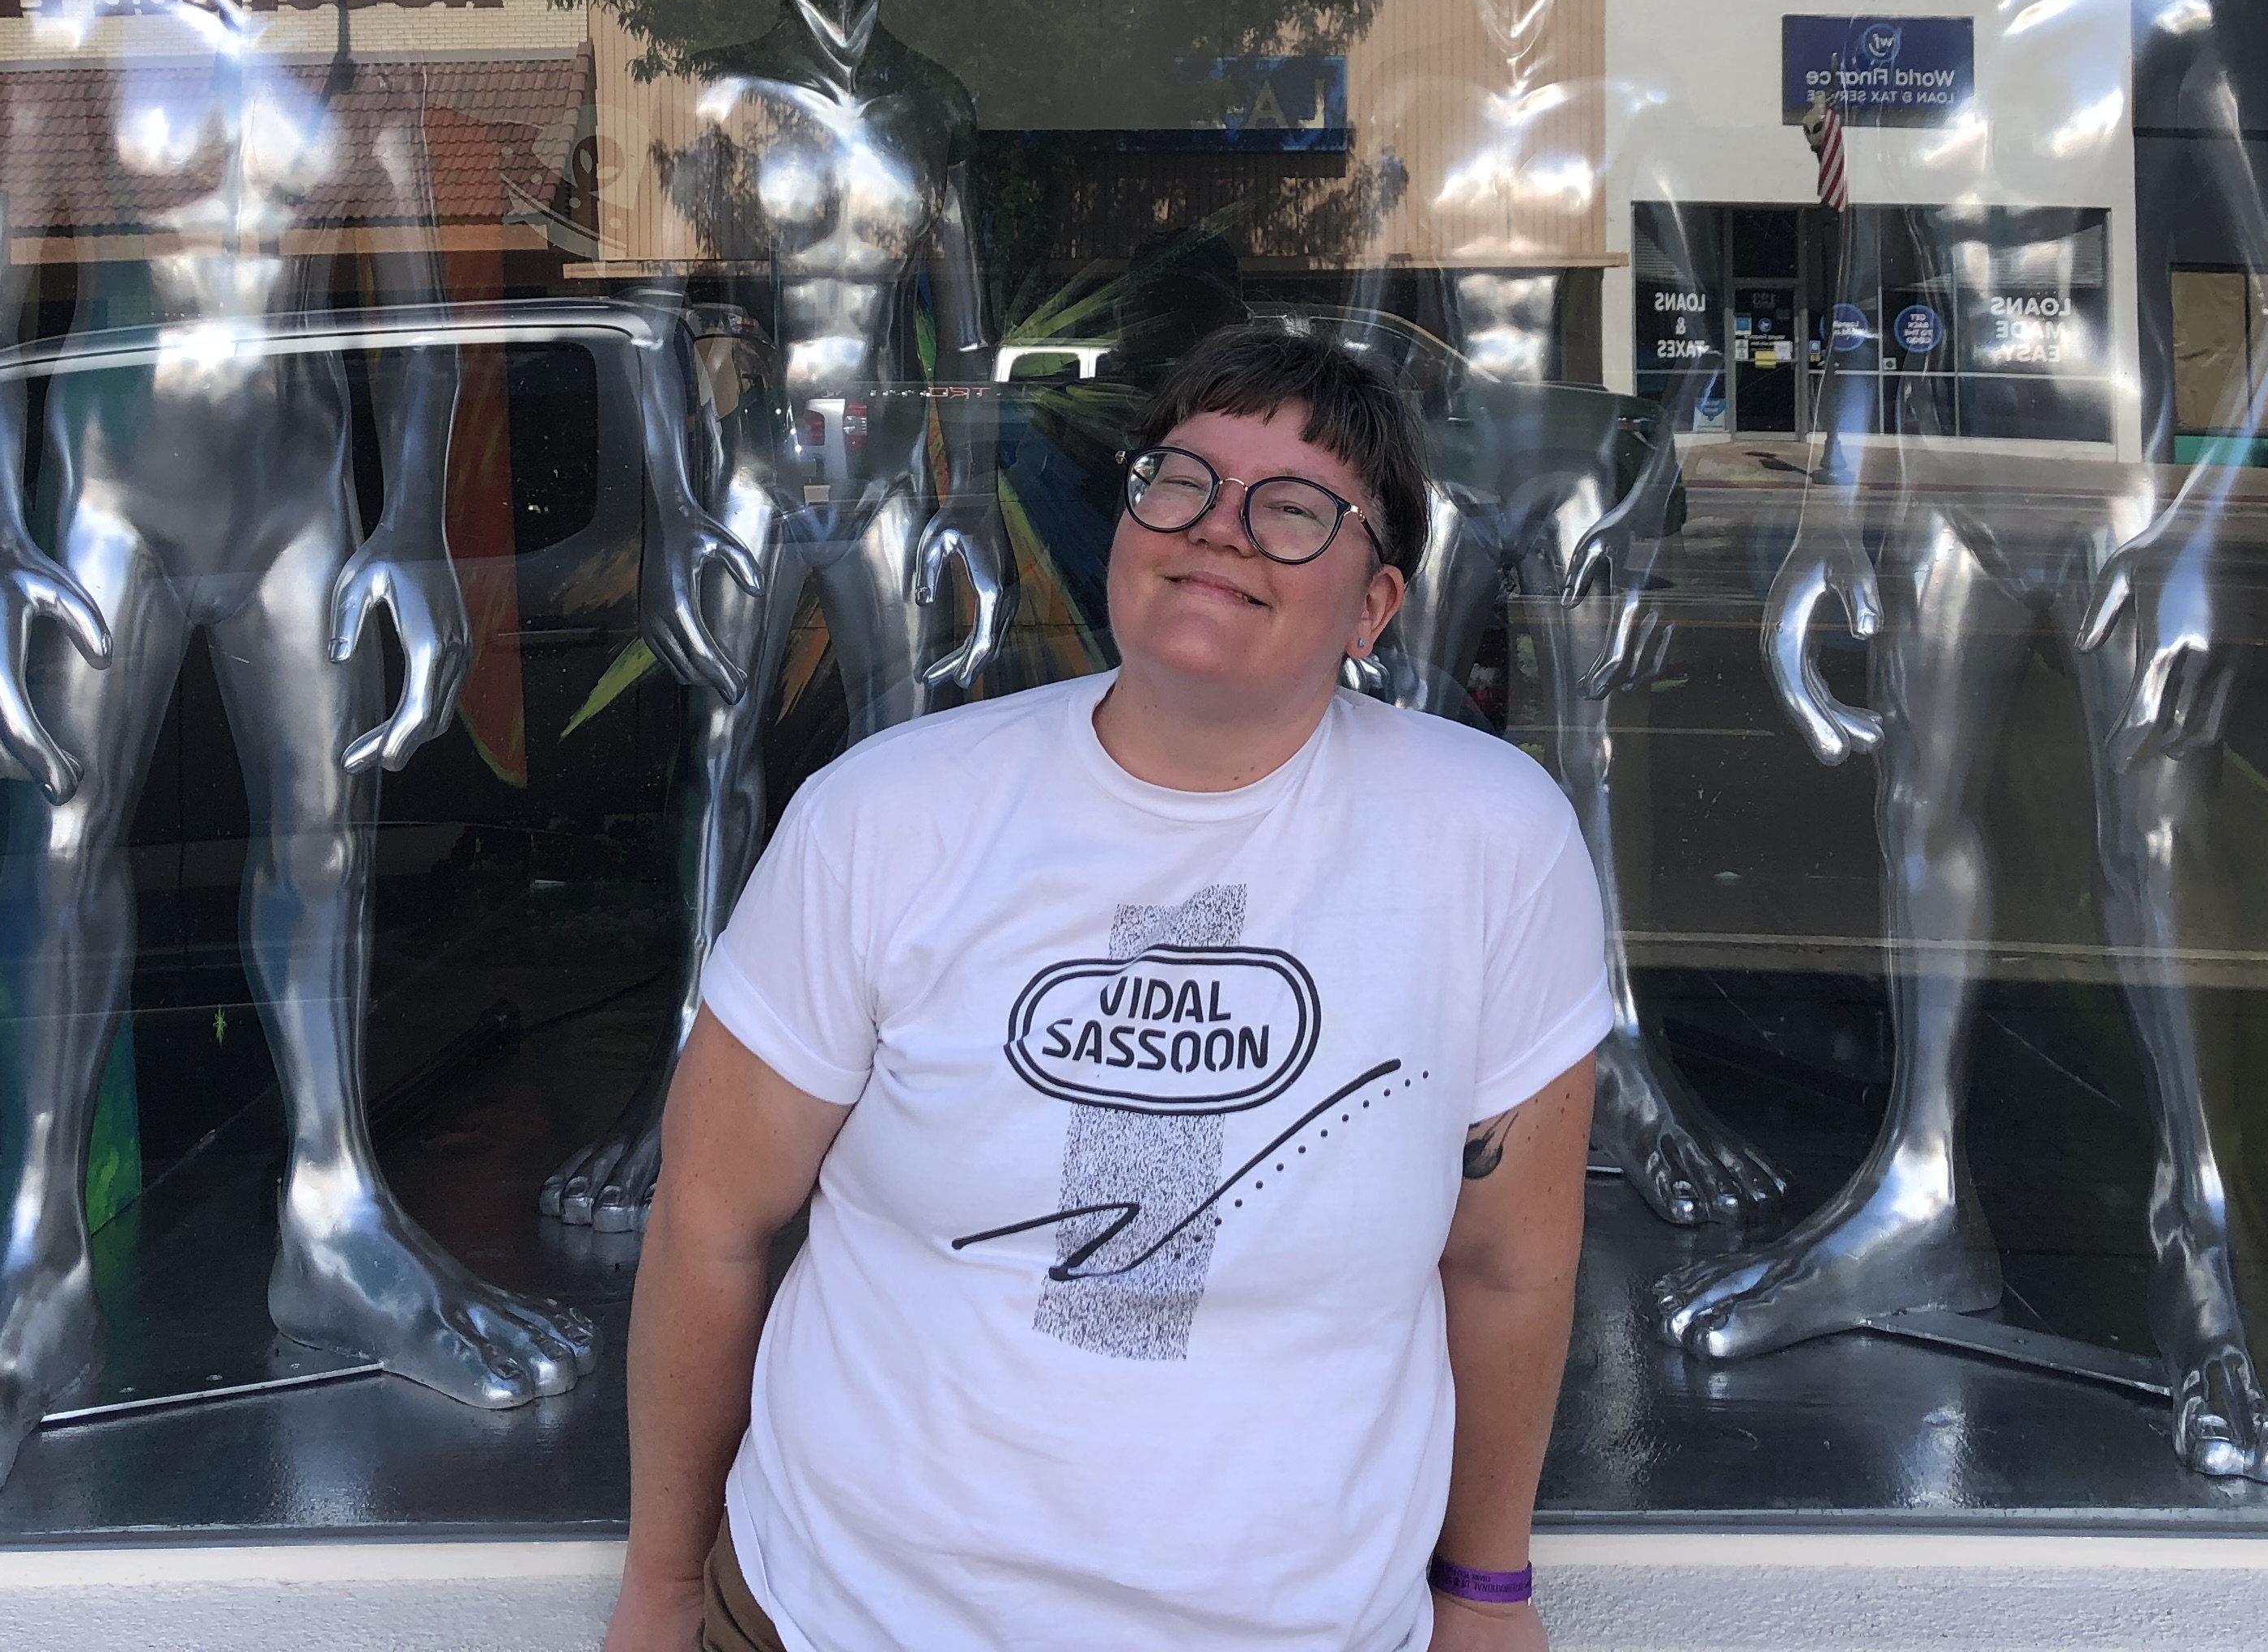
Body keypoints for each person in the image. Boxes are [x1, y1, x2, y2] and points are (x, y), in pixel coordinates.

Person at [607, 320, 1612, 1652]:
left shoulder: (1492, 839)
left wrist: (1487, 1593)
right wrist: (665, 1589)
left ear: (1377, 605)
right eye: (1181, 482)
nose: (1220, 529)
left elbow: (1508, 1269)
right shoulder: (888, 815)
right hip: (843, 1616)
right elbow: (710, 1223)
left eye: (1298, 509)